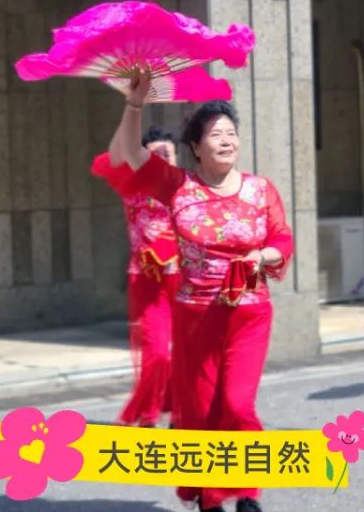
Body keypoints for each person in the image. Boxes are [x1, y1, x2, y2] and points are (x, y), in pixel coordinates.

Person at [113, 84, 294, 512]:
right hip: (195, 314)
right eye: (215, 134)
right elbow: (129, 153)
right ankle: (211, 498)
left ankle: (247, 492)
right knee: (199, 410)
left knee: (237, 403)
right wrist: (135, 104)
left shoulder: (259, 189)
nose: (226, 140)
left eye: (231, 132)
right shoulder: (177, 186)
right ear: (195, 146)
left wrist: (261, 256)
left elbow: (282, 239)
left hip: (248, 313)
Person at [91, 126, 179, 428]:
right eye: (155, 155)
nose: (163, 159)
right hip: (148, 282)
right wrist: (132, 110)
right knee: (158, 354)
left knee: (186, 354)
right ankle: (147, 414)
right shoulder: (130, 183)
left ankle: (178, 412)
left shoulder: (190, 186)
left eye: (168, 154)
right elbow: (106, 162)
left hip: (187, 282)